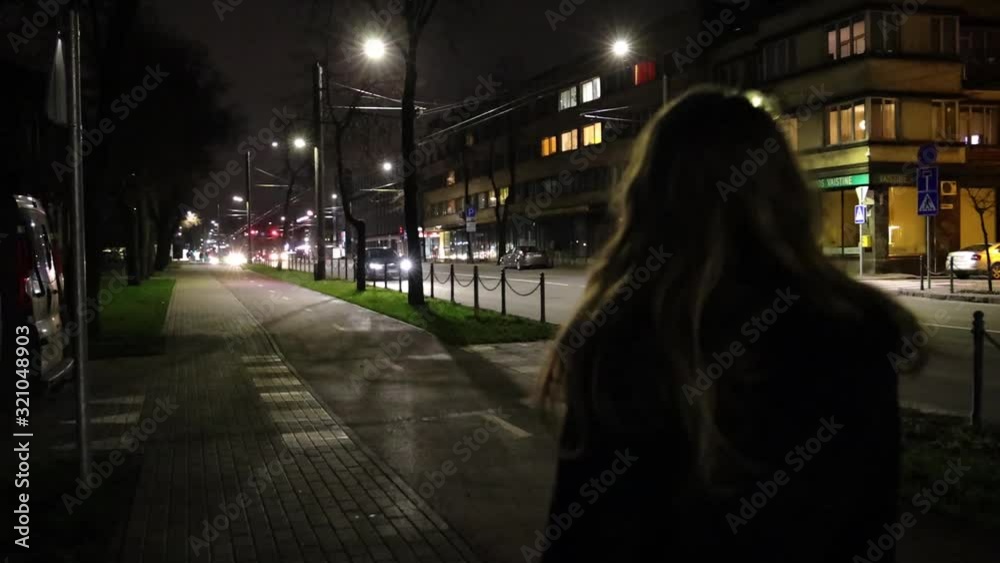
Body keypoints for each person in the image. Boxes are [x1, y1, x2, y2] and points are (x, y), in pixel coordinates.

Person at [537, 87, 924, 562]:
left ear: (647, 200)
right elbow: (871, 522)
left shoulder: (622, 335)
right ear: (787, 193)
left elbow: (578, 537)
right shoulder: (852, 328)